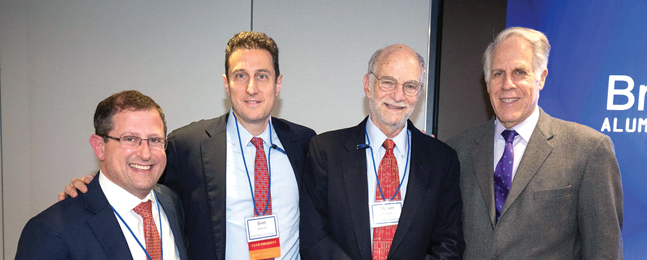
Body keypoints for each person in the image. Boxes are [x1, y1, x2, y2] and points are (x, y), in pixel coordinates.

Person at [60, 31, 315, 260]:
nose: (251, 88)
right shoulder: (189, 145)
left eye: (262, 76)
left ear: (277, 84)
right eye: (240, 76)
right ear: (226, 83)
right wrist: (92, 186)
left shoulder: (304, 142)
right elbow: (137, 174)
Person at [447, 27, 623, 259]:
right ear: (487, 82)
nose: (507, 84)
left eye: (520, 72)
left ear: (541, 78)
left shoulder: (588, 150)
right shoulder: (457, 150)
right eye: (498, 73)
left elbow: (604, 251)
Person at [300, 44, 464, 260]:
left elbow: (449, 243)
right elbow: (314, 236)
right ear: (368, 85)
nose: (398, 96)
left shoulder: (442, 160)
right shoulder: (325, 151)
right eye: (388, 82)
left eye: (410, 86)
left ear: (419, 93)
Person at [16, 90, 188, 260]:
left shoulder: (171, 202)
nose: (145, 154)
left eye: (154, 140)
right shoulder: (52, 230)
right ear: (99, 147)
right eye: (129, 139)